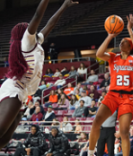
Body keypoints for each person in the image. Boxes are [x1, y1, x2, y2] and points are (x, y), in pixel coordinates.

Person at [0, 0, 78, 148]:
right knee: (1, 131)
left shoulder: (36, 41)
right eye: (28, 28)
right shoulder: (26, 42)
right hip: (14, 89)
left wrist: (64, 6)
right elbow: (37, 15)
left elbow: (51, 24)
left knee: (3, 140)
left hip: (22, 92)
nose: (32, 28)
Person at [88, 14, 133, 156]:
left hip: (127, 98)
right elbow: (98, 53)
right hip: (112, 94)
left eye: (123, 41)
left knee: (124, 132)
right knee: (96, 122)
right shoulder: (113, 57)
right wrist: (109, 36)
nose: (120, 43)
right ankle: (90, 153)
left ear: (129, 46)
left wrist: (129, 30)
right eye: (119, 42)